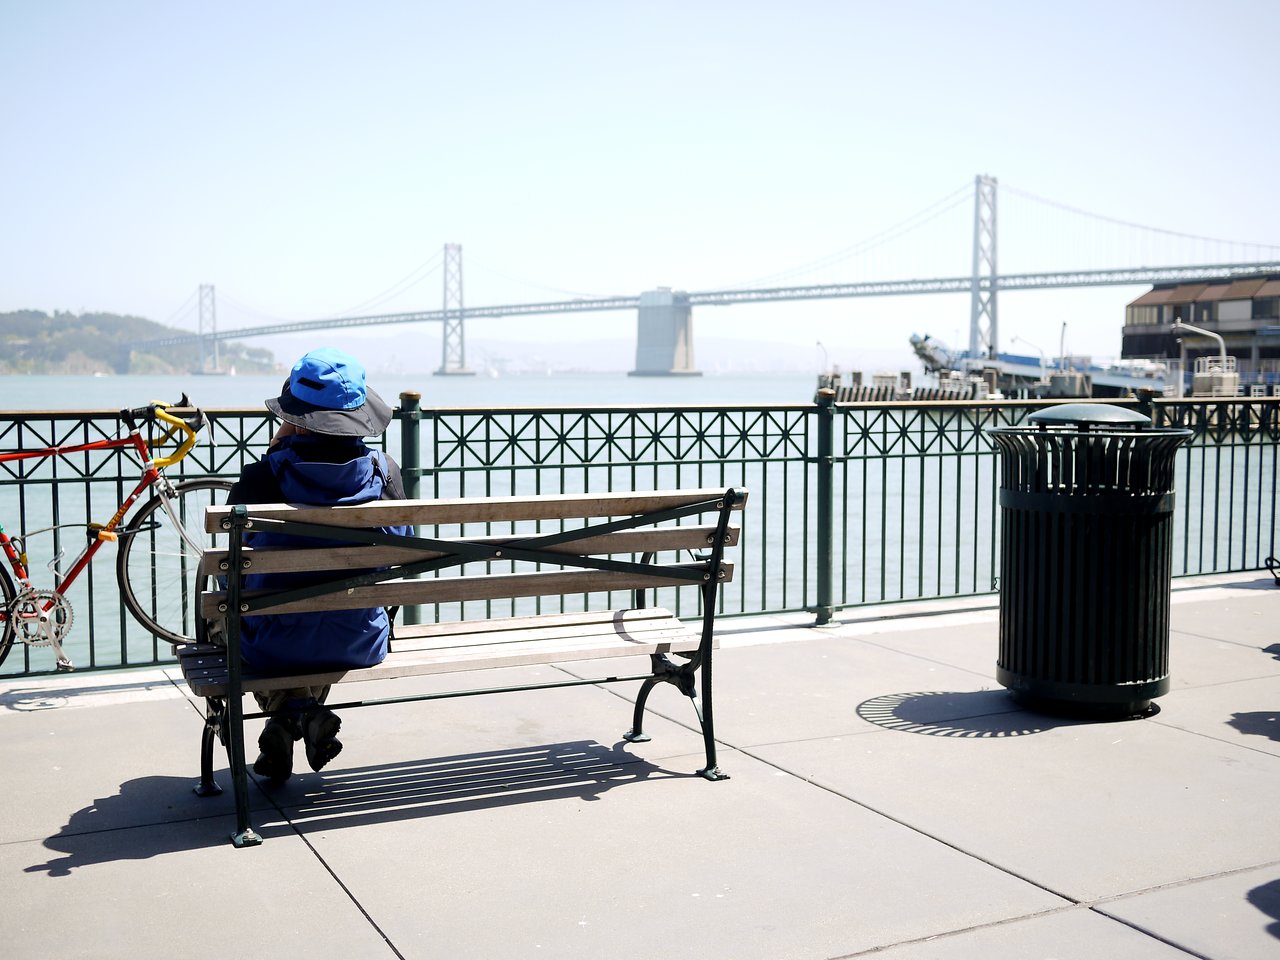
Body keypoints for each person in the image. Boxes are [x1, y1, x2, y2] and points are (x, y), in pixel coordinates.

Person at [226, 347, 410, 784]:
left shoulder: (261, 478)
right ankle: (302, 712)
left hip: (270, 645)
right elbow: (403, 558)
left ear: (293, 416)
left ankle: (291, 711)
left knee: (232, 613)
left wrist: (274, 457)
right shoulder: (385, 472)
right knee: (328, 612)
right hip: (359, 640)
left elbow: (230, 566)